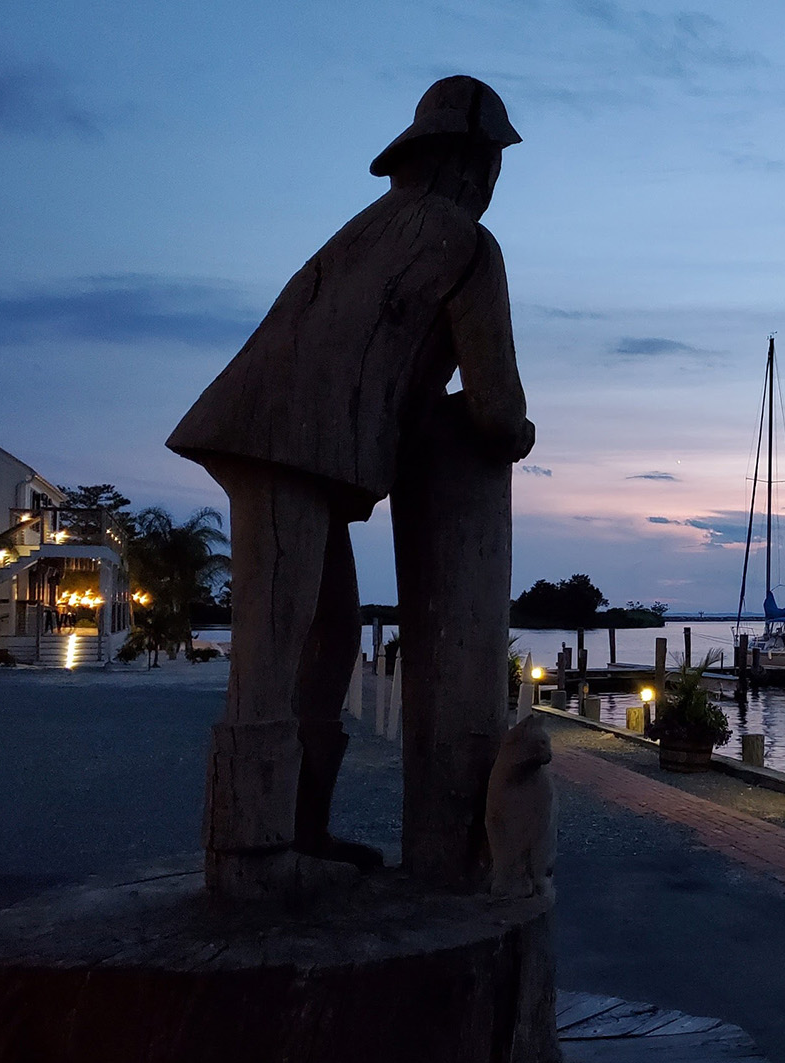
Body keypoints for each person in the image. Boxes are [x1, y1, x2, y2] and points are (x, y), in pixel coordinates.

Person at [168, 77, 535, 898]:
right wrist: (516, 435)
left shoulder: (371, 228)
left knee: (327, 636)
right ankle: (249, 857)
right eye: (489, 163)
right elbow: (497, 405)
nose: (491, 181)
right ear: (471, 164)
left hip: (289, 438)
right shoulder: (467, 243)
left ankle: (295, 829)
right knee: (274, 645)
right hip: (291, 442)